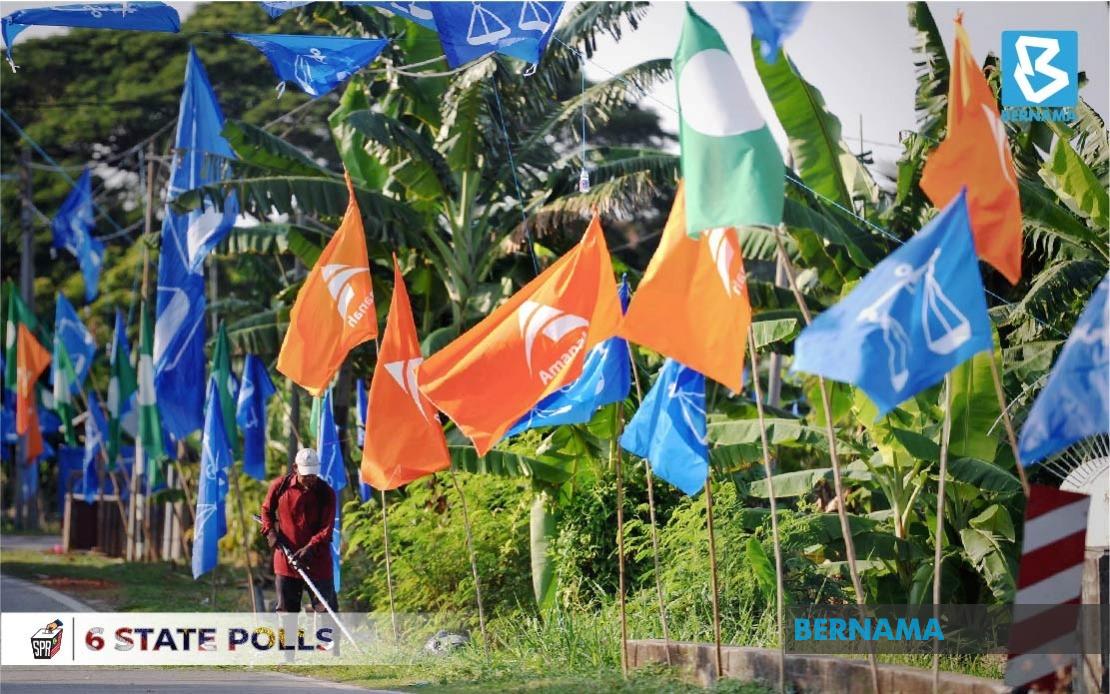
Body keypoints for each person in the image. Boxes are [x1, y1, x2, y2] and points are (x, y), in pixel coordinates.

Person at [260, 448, 338, 614]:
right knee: (286, 613)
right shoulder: (279, 486)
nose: (310, 479)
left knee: (326, 612)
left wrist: (310, 547)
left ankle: (327, 633)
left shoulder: (326, 493)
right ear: (295, 468)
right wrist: (270, 531)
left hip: (318, 562)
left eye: (313, 475)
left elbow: (327, 528)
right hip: (286, 561)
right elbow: (266, 510)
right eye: (306, 475)